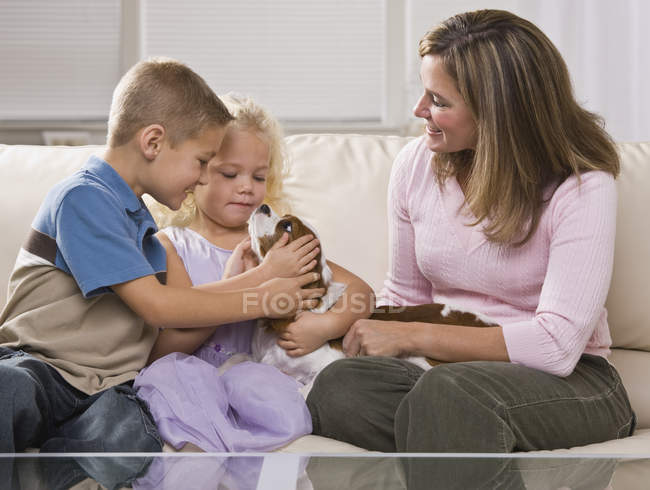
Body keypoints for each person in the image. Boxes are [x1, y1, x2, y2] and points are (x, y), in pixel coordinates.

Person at [307, 8, 636, 460]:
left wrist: (412, 338)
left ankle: (457, 431)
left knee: (452, 397)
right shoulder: (416, 165)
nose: (419, 111)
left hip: (572, 383)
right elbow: (405, 296)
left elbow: (557, 346)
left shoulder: (581, 187)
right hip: (444, 377)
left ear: (499, 112)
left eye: (439, 101)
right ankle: (466, 444)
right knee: (341, 388)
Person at [0, 58, 323, 472]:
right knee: (8, 388)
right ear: (153, 142)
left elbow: (180, 304)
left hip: (107, 389)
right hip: (42, 368)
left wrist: (250, 279)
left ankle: (50, 478)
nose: (203, 177)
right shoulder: (83, 199)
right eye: (201, 161)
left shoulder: (141, 226)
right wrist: (262, 294)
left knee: (132, 431)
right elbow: (159, 307)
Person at [133, 93, 374, 452]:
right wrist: (239, 284)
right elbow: (166, 348)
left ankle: (246, 460)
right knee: (168, 380)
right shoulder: (173, 246)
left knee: (278, 400)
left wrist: (324, 326)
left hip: (262, 377)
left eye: (258, 176)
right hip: (196, 375)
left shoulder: (277, 243)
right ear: (194, 172)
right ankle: (204, 454)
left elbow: (361, 293)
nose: (246, 187)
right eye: (230, 174)